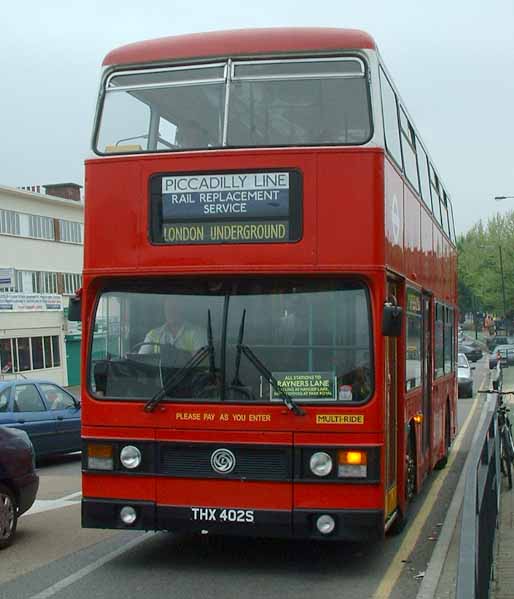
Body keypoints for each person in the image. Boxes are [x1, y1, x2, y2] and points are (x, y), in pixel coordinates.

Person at [139, 295, 207, 359]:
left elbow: (203, 363)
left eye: (175, 308)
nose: (171, 311)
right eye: (168, 308)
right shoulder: (153, 335)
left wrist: (181, 355)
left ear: (183, 309)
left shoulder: (198, 333)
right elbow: (139, 361)